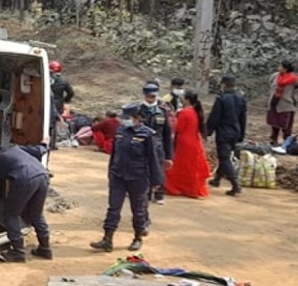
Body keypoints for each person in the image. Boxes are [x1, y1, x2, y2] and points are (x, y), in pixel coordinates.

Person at [90, 103, 162, 253]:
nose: (124, 121)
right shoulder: (120, 131)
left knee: (138, 210)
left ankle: (137, 238)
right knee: (113, 208)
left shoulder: (147, 134)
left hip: (138, 177)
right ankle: (107, 239)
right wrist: (110, 172)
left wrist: (156, 181)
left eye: (127, 118)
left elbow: (153, 159)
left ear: (136, 118)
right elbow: (115, 154)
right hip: (118, 176)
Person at [0, 138, 52, 263]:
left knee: (11, 215)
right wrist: (45, 142)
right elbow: (41, 150)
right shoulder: (16, 148)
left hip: (24, 179)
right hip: (42, 176)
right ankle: (45, 248)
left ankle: (18, 252)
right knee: (36, 214)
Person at [206, 76, 248, 196]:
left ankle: (235, 184)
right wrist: (242, 134)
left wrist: (208, 131)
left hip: (224, 132)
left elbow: (215, 117)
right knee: (225, 156)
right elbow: (243, 118)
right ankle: (217, 179)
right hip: (236, 131)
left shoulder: (221, 99)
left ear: (223, 85)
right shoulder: (241, 98)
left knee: (224, 158)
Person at [165, 90, 211, 199]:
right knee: (191, 166)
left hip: (184, 142)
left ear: (187, 100)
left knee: (180, 165)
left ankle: (176, 187)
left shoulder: (184, 112)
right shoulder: (195, 111)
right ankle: (191, 188)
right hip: (194, 141)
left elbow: (179, 128)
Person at [138, 81, 172, 206]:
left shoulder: (162, 111)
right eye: (149, 96)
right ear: (145, 95)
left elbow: (167, 135)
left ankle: (159, 194)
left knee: (159, 171)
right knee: (143, 170)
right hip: (142, 146)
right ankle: (145, 194)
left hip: (158, 146)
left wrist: (169, 156)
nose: (151, 99)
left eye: (154, 96)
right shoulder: (138, 110)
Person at [267, 60, 298, 145]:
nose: (278, 67)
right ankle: (273, 139)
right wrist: (273, 91)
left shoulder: (293, 78)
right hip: (274, 101)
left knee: (286, 124)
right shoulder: (275, 75)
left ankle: (287, 141)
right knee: (274, 123)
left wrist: (294, 92)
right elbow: (270, 83)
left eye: (280, 66)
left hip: (286, 103)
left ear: (285, 69)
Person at [49, 61, 75, 150]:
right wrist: (64, 100)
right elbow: (71, 92)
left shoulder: (46, 77)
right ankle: (52, 144)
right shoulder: (63, 80)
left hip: (47, 102)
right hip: (58, 104)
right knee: (54, 123)